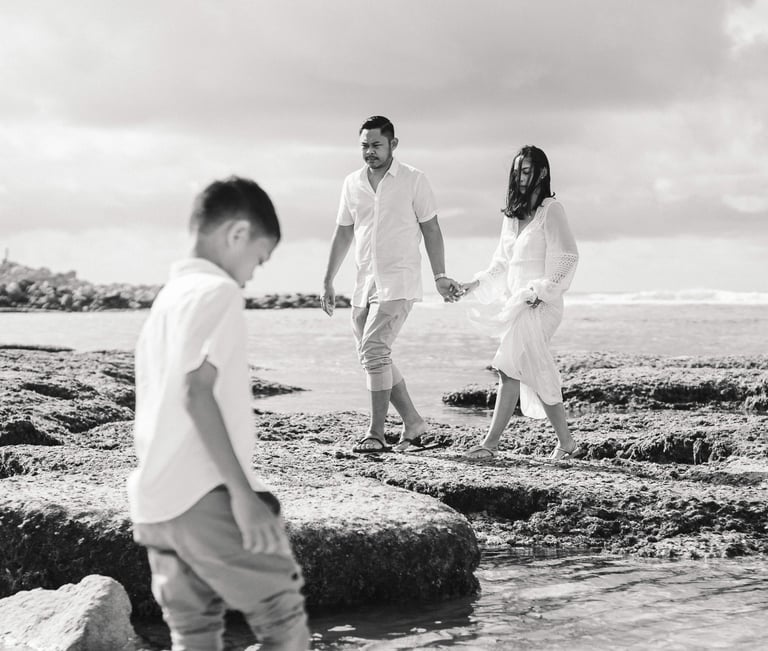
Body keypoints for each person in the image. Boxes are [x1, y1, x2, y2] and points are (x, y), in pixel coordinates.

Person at [128, 177, 309, 651]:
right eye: (259, 257)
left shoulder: (166, 300)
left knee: (195, 635)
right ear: (236, 234)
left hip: (155, 505)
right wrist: (243, 496)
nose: (251, 276)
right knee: (283, 620)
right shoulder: (218, 291)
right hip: (201, 496)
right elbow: (196, 393)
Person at [322, 115, 461, 453]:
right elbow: (344, 231)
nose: (369, 152)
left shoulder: (414, 180)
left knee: (373, 351)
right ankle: (413, 422)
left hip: (399, 280)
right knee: (374, 355)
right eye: (364, 146)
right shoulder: (352, 183)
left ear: (393, 145)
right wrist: (328, 279)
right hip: (363, 282)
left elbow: (431, 229)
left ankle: (376, 432)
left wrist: (440, 276)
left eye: (376, 145)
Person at [459, 146, 580, 461]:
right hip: (516, 304)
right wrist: (473, 284)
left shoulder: (551, 210)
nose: (520, 177)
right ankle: (566, 444)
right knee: (530, 370)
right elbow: (501, 263)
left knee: (507, 367)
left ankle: (490, 444)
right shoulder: (512, 216)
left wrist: (542, 290)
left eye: (526, 171)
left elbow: (567, 258)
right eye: (516, 172)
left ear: (540, 172)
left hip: (541, 305)